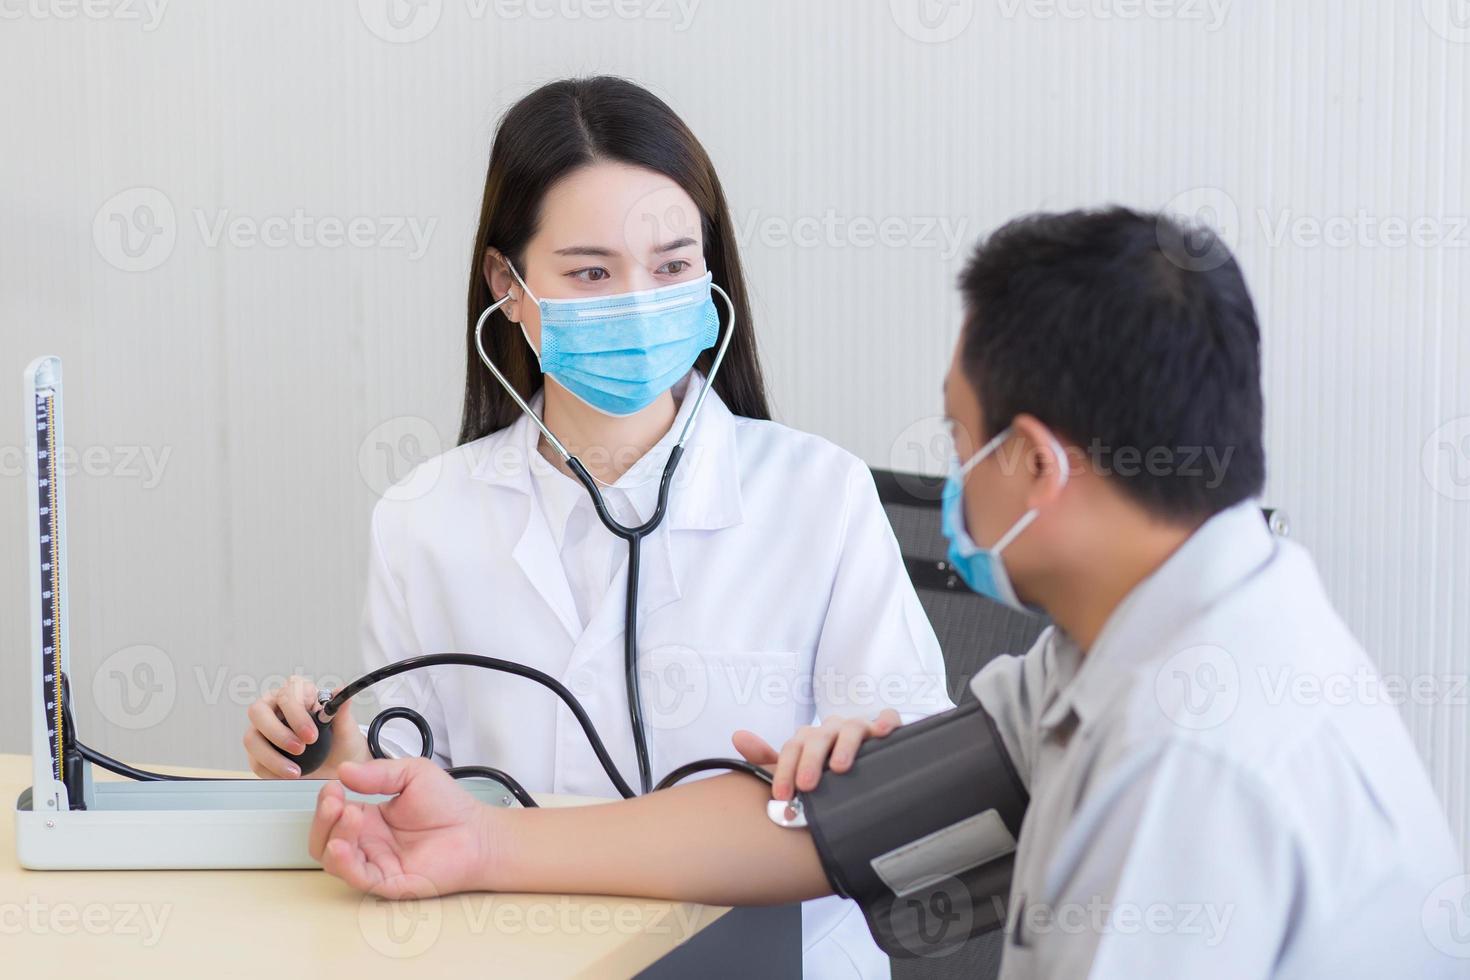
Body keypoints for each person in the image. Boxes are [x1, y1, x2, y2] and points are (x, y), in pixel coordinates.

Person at [305, 207, 1466, 979]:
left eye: (960, 438)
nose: (948, 473)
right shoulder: (1139, 638)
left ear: (1036, 465)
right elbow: (821, 820)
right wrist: (484, 842)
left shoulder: (1193, 756)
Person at [241, 76, 950, 978]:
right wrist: (338, 761)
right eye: (589, 271)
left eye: (672, 265)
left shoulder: (821, 495)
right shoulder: (423, 519)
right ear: (508, 283)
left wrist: (857, 767)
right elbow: (419, 800)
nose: (637, 300)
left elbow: (921, 818)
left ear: (711, 273)